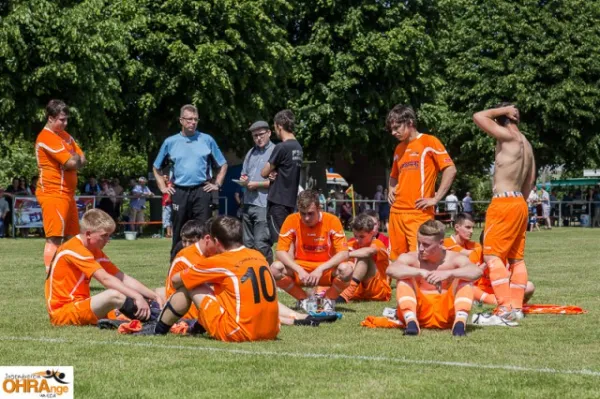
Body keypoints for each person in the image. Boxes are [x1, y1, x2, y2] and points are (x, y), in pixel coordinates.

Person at [149, 216, 280, 342]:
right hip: (272, 330)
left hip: (239, 332)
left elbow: (176, 280)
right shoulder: (258, 255)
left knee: (191, 284)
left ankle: (158, 330)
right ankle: (198, 327)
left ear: (216, 241)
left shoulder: (219, 261)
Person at [473, 103, 535, 322]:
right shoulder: (526, 144)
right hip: (519, 202)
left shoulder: (508, 137)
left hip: (504, 201)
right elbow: (530, 180)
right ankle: (516, 308)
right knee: (516, 258)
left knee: (492, 256)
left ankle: (504, 310)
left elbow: (478, 115)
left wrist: (503, 110)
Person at [45, 209, 160, 326]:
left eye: (109, 236)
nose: (108, 240)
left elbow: (122, 277)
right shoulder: (73, 249)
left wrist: (153, 296)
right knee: (114, 296)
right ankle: (156, 320)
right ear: (88, 234)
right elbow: (105, 279)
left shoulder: (93, 250)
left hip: (81, 305)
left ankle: (156, 314)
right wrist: (137, 296)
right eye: (104, 236)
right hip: (63, 312)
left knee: (159, 292)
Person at [153, 104, 228, 260]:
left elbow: (223, 164)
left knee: (205, 231)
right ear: (181, 120)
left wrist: (217, 184)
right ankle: (176, 264)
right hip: (179, 191)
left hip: (202, 191)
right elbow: (156, 167)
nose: (192, 122)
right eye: (189, 119)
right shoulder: (170, 142)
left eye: (195, 119)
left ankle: (207, 266)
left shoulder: (207, 140)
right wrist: (163, 188)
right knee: (179, 230)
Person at [386, 105, 456, 263]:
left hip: (418, 212)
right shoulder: (398, 148)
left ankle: (420, 287)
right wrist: (390, 189)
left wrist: (436, 199)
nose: (393, 132)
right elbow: (393, 176)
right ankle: (392, 289)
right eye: (391, 129)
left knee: (419, 258)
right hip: (396, 213)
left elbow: (450, 169)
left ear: (410, 122)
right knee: (395, 260)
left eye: (397, 127)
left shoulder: (429, 141)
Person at [386, 220, 482, 336]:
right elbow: (391, 270)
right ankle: (411, 322)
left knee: (464, 278)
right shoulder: (411, 257)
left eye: (426, 245)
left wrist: (449, 273)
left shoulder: (454, 258)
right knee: (404, 277)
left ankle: (460, 323)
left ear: (441, 243)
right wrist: (420, 272)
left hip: (447, 314)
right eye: (419, 243)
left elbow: (476, 271)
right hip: (419, 312)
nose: (421, 248)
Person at [270, 190, 352, 312]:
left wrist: (320, 269)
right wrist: (299, 270)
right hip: (300, 269)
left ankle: (328, 300)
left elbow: (344, 253)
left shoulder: (332, 220)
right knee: (275, 268)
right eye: (303, 214)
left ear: (319, 208)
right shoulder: (291, 220)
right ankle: (303, 299)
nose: (306, 218)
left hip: (325, 270)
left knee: (347, 269)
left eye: (310, 213)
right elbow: (280, 251)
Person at [35, 100, 86, 271]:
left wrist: (73, 160)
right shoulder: (46, 137)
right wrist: (72, 160)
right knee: (55, 237)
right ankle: (51, 277)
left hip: (67, 194)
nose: (65, 123)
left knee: (73, 237)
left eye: (66, 120)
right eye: (61, 120)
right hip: (52, 192)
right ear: (50, 118)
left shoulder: (65, 136)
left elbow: (81, 159)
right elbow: (72, 162)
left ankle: (67, 274)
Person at [260, 110, 303, 245]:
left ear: (279, 126)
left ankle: (284, 266)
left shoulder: (281, 147)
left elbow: (264, 172)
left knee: (281, 242)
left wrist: (271, 171)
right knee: (289, 239)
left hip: (277, 201)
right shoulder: (298, 147)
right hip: (290, 201)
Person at [239, 120, 275, 262]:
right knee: (247, 244)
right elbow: (244, 174)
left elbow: (277, 182)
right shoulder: (250, 153)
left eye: (261, 134)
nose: (258, 138)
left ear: (269, 133)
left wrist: (257, 184)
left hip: (264, 203)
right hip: (248, 202)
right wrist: (243, 179)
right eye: (255, 136)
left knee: (261, 243)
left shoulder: (276, 152)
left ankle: (269, 273)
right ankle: (251, 273)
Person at [337, 213, 391, 303]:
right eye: (355, 236)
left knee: (364, 257)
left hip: (378, 290)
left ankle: (346, 294)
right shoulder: (352, 244)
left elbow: (369, 252)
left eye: (362, 236)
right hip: (358, 292)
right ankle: (321, 291)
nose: (357, 240)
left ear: (372, 233)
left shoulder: (378, 243)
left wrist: (346, 255)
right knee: (343, 263)